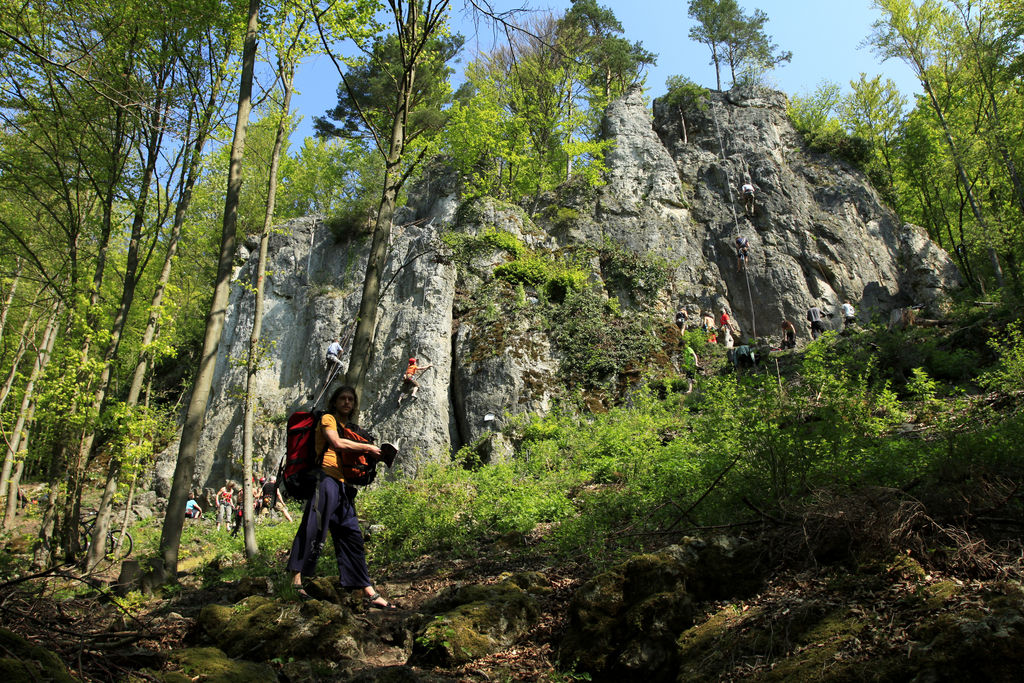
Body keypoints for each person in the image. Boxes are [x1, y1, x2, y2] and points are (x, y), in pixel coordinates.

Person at [286, 386, 396, 609]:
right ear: (334, 402)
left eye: (350, 399)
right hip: (325, 478)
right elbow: (336, 443)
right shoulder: (328, 419)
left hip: (343, 487)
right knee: (313, 526)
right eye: (342, 399)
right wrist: (367, 448)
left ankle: (366, 588)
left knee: (352, 535)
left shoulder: (352, 428)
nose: (346, 402)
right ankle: (295, 581)